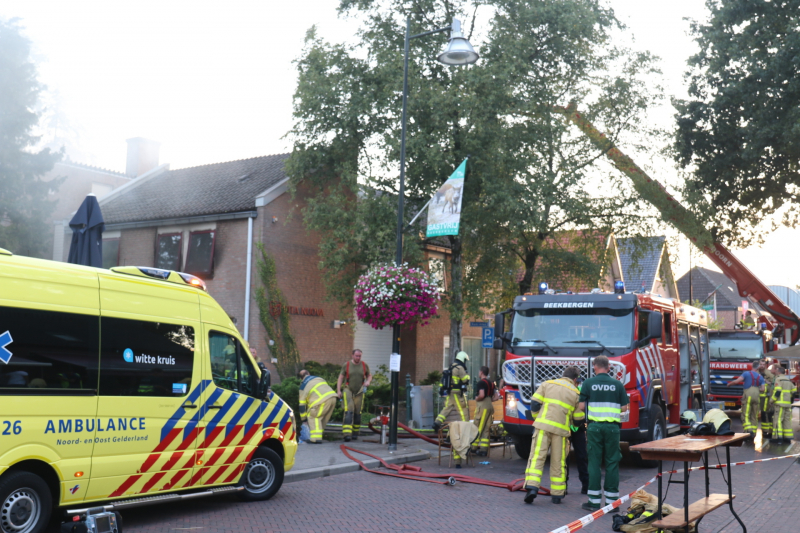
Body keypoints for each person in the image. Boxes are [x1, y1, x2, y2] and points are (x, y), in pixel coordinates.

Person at [523, 366, 583, 505]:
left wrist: (537, 418)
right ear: (575, 379)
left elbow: (534, 403)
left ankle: (532, 488)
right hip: (561, 432)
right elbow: (578, 419)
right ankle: (557, 494)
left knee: (537, 457)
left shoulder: (547, 384)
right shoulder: (576, 393)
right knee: (558, 462)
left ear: (563, 375)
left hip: (542, 428)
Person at [579, 356, 628, 513]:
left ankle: (593, 502)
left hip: (594, 427)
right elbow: (624, 408)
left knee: (594, 462)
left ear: (594, 366)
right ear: (608, 367)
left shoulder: (588, 383)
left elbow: (581, 406)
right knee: (612, 462)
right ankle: (611, 503)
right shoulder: (617, 384)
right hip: (612, 428)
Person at [336, 349, 372, 442]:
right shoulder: (347, 365)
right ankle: (347, 434)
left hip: (359, 391)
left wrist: (368, 381)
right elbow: (341, 377)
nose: (358, 358)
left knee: (357, 412)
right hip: (348, 389)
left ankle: (355, 433)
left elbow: (369, 375)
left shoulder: (364, 365)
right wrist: (338, 390)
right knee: (349, 411)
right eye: (356, 356)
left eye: (359, 356)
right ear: (352, 355)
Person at [433, 351, 471, 430]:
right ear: (462, 359)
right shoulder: (460, 368)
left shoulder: (451, 366)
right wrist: (467, 375)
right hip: (457, 393)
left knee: (447, 408)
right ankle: (466, 426)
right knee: (463, 409)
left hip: (450, 392)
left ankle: (437, 423)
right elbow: (465, 380)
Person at [298, 369, 337, 444]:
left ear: (301, 378)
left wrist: (304, 419)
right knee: (323, 418)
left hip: (321, 401)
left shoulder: (303, 386)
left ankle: (315, 439)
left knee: (313, 416)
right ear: (309, 373)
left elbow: (302, 404)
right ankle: (319, 435)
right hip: (333, 398)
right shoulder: (318, 378)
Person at [726, 361, 764, 437]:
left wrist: (729, 384)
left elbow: (737, 381)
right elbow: (763, 389)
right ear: (758, 367)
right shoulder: (760, 377)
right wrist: (756, 390)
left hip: (748, 396)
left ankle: (748, 431)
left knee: (746, 414)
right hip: (757, 397)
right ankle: (753, 432)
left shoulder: (746, 374)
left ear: (752, 366)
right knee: (754, 415)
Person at [569, 375, 589, 495]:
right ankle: (563, 486)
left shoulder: (580, 390)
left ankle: (585, 485)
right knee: (567, 457)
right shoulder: (566, 390)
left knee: (581, 456)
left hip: (577, 427)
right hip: (570, 427)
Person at [473, 366, 498, 457]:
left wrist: (477, 398)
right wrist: (489, 400)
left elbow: (481, 395)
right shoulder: (492, 383)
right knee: (486, 429)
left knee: (478, 427)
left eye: (479, 372)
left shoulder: (481, 383)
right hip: (490, 406)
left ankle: (473, 448)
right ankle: (483, 450)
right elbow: (496, 397)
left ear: (481, 372)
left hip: (483, 407)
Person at [770, 365, 794, 444]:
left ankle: (778, 438)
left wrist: (772, 400)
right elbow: (794, 391)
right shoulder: (788, 380)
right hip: (788, 404)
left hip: (780, 404)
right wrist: (790, 401)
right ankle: (788, 438)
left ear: (778, 372)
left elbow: (778, 391)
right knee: (787, 421)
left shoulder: (778, 379)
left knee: (778, 420)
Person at [758, 359, 775, 438]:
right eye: (761, 364)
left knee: (765, 413)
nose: (762, 366)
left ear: (766, 365)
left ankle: (765, 431)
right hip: (755, 397)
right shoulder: (755, 372)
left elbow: (773, 384)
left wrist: (766, 381)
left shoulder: (769, 374)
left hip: (765, 398)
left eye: (763, 364)